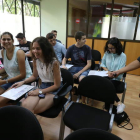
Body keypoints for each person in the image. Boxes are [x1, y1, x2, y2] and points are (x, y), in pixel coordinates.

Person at [12, 37, 62, 114]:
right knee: (25, 106)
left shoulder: (54, 63)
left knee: (34, 109)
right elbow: (34, 76)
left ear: (45, 49)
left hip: (54, 89)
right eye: (33, 48)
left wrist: (40, 91)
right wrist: (23, 82)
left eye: (38, 48)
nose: (35, 51)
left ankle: (30, 124)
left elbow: (57, 85)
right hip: (43, 85)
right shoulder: (35, 60)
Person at [0, 32, 32, 107]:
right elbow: (7, 67)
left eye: (8, 39)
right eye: (4, 39)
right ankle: (12, 106)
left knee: (1, 101)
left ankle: (14, 107)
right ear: (1, 41)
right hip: (11, 79)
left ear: (13, 41)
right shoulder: (3, 51)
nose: (6, 41)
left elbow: (22, 75)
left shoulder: (19, 52)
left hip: (22, 80)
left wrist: (4, 81)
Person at [62, 31, 92, 104]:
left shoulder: (87, 48)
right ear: (78, 40)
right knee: (65, 77)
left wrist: (78, 73)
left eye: (85, 38)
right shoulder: (71, 48)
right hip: (73, 67)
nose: (85, 40)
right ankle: (73, 91)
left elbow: (89, 64)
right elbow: (65, 59)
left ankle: (83, 101)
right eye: (83, 39)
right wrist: (63, 65)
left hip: (84, 68)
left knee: (82, 80)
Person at [100, 37, 126, 114]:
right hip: (107, 75)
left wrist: (113, 74)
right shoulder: (107, 53)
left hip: (116, 77)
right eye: (109, 48)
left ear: (117, 47)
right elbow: (102, 64)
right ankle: (119, 103)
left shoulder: (122, 56)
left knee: (107, 84)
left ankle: (107, 108)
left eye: (112, 48)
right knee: (106, 83)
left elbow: (122, 69)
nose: (110, 50)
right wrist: (107, 71)